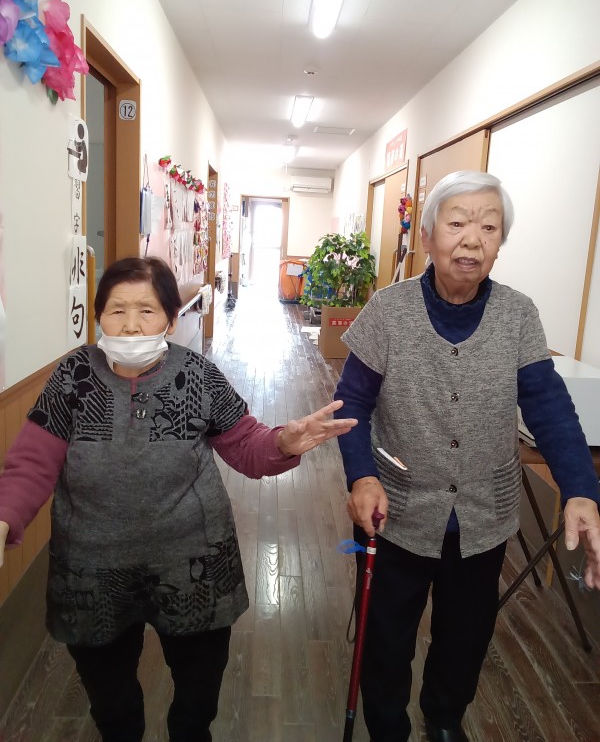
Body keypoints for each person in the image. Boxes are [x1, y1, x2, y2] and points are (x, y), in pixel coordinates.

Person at [0, 256, 357, 742]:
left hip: (194, 565)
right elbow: (31, 463)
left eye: (146, 311)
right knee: (112, 706)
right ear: (98, 317)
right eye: (116, 310)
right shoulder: (73, 378)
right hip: (93, 570)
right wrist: (6, 517)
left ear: (171, 319)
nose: (130, 325)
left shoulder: (198, 375)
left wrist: (281, 443)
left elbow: (245, 444)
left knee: (196, 702)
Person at [333, 171, 600, 742]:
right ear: (428, 234)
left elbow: (549, 405)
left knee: (466, 636)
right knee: (385, 637)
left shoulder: (518, 315)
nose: (473, 239)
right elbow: (351, 401)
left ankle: (444, 718)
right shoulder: (388, 310)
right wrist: (361, 477)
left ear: (501, 242)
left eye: (489, 227)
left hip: (483, 516)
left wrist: (580, 489)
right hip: (395, 511)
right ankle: (387, 726)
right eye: (457, 223)